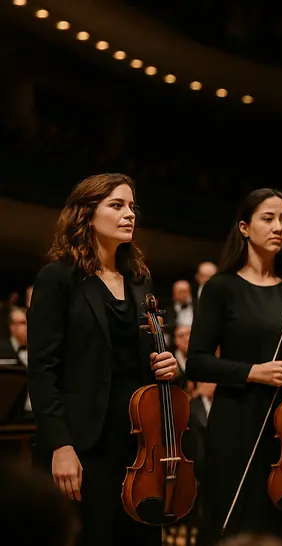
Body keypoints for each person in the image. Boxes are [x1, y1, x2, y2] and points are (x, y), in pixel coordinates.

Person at [26, 173, 178, 546]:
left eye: (131, 207)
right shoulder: (58, 279)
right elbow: (42, 370)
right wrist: (60, 445)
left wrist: (170, 366)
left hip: (140, 445)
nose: (129, 215)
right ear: (86, 214)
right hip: (83, 445)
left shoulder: (140, 281)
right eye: (117, 205)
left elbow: (145, 358)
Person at [186, 188, 282, 546]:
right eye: (268, 218)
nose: (278, 227)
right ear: (245, 228)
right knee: (239, 525)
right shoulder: (221, 288)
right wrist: (254, 372)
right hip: (238, 425)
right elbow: (197, 362)